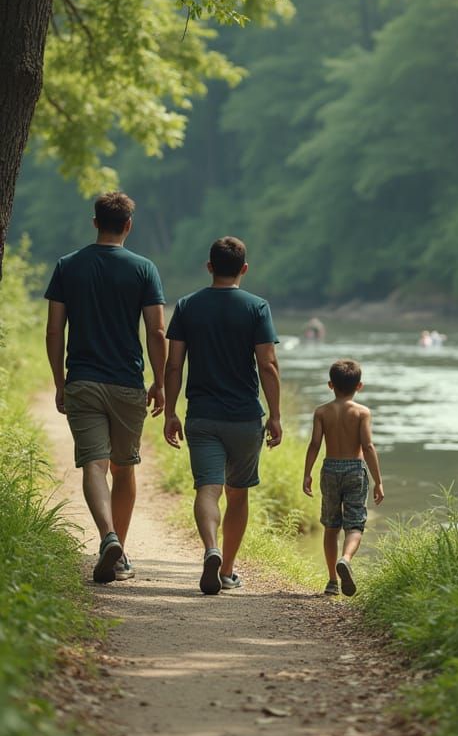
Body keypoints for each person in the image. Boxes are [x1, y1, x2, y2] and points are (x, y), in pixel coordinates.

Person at [45, 192, 167, 584]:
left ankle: (107, 537)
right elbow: (157, 331)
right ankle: (119, 555)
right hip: (127, 382)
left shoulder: (68, 267)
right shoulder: (144, 269)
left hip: (81, 378)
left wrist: (59, 382)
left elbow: (53, 329)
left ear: (94, 222)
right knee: (124, 467)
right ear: (128, 225)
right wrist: (160, 383)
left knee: (93, 464)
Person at [163, 236, 282, 595]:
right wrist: (275, 415)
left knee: (207, 489)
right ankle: (227, 569)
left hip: (202, 416)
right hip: (245, 418)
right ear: (244, 269)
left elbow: (173, 365)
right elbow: (268, 365)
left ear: (210, 267)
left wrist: (170, 411)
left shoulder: (187, 306)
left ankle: (210, 549)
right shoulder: (257, 307)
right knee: (238, 494)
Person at [302, 359, 384, 597]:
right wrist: (378, 480)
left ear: (330, 385)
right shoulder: (362, 413)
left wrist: (307, 473)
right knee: (355, 523)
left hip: (330, 469)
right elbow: (367, 446)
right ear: (359, 386)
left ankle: (331, 581)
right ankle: (346, 559)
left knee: (331, 525)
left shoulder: (322, 412)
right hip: (354, 470)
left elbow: (315, 444)